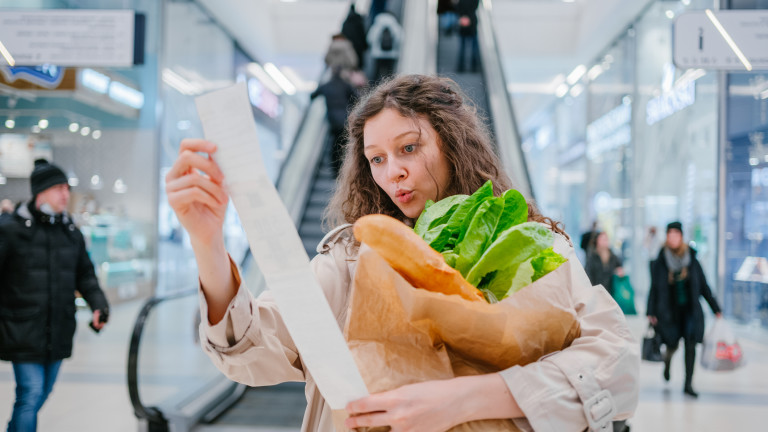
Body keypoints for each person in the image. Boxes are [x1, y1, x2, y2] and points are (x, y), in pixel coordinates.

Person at [165, 75, 639, 431]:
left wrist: (471, 397)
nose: (393, 172)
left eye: (408, 148)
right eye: (377, 159)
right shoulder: (352, 260)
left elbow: (614, 363)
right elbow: (250, 347)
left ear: (453, 144)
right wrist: (207, 242)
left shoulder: (529, 243)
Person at [0, 159, 109, 432]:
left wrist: (98, 304)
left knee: (41, 393)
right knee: (31, 393)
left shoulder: (70, 232)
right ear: (41, 191)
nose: (65, 194)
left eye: (66, 188)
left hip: (59, 326)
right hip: (21, 327)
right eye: (58, 187)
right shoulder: (11, 230)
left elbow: (85, 274)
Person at [647, 221, 722, 398]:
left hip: (690, 311)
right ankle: (667, 362)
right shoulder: (660, 260)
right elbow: (654, 288)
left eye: (676, 235)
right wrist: (651, 312)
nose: (672, 238)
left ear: (681, 237)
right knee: (672, 343)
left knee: (690, 345)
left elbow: (703, 286)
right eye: (669, 235)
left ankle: (688, 384)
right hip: (668, 311)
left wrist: (715, 308)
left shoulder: (692, 259)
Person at [310, 67, 358, 177]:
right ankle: (344, 169)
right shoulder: (345, 85)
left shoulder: (326, 85)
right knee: (344, 144)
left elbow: (312, 95)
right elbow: (357, 97)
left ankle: (334, 170)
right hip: (345, 120)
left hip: (333, 122)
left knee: (334, 145)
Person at [585, 231, 625, 296]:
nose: (605, 242)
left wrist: (619, 272)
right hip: (596, 293)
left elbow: (620, 268)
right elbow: (588, 273)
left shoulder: (613, 257)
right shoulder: (592, 257)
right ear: (597, 241)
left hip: (611, 293)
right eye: (602, 239)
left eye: (606, 239)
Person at [366, 11, 402, 81]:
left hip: (377, 55)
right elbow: (400, 39)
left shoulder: (376, 25)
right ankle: (392, 90)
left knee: (376, 74)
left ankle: (374, 89)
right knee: (390, 76)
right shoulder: (395, 26)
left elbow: (370, 39)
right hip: (392, 55)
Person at [341, 4, 368, 70]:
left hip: (349, 47)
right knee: (358, 66)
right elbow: (362, 34)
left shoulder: (346, 23)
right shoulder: (359, 21)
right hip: (358, 47)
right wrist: (365, 45)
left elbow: (343, 35)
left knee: (349, 65)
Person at [456, 0, 480, 73]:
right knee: (473, 47)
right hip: (472, 22)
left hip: (463, 22)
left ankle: (461, 66)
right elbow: (475, 7)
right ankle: (474, 66)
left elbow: (458, 7)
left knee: (462, 47)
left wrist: (463, 16)